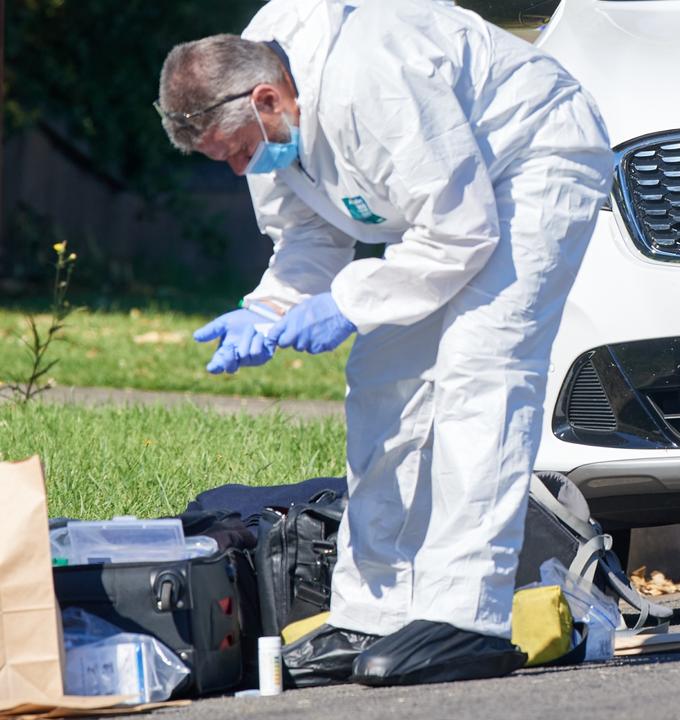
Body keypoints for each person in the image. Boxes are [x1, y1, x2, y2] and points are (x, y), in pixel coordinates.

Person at [155, 0, 612, 686]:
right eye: (223, 159)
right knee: (381, 380)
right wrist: (269, 308)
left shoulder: (373, 75)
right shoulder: (262, 105)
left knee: (479, 371)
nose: (237, 168)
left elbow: (461, 235)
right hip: (449, 207)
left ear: (268, 99)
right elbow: (309, 236)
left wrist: (347, 301)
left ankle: (467, 617)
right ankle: (373, 612)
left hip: (533, 158)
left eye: (241, 152)